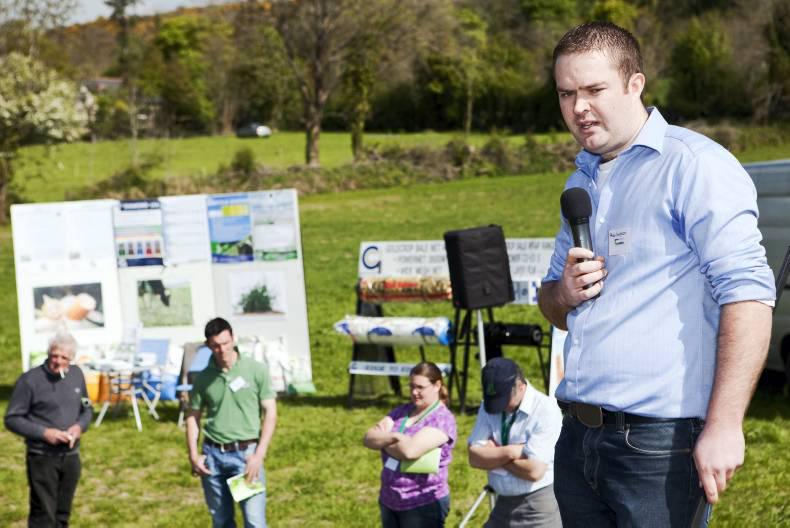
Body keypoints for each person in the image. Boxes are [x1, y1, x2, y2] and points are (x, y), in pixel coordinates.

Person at [538, 21, 776, 527]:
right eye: (566, 93)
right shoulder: (580, 180)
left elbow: (749, 295)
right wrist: (563, 292)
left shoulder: (695, 166)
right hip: (578, 439)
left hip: (660, 446)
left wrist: (726, 424)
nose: (578, 107)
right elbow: (552, 308)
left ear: (635, 85)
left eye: (594, 90)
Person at [185, 317, 277, 528]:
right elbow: (193, 417)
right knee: (222, 521)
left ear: (233, 339)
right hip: (213, 458)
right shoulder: (203, 378)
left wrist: (258, 455)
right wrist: (193, 454)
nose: (222, 350)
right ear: (208, 345)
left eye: (226, 343)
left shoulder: (255, 369)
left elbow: (270, 412)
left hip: (245, 457)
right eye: (216, 346)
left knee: (254, 521)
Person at [5, 332, 93, 527]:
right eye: (54, 355)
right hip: (42, 457)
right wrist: (45, 433)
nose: (57, 361)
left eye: (64, 357)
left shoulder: (77, 375)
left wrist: (79, 427)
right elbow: (12, 418)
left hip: (70, 456)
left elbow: (87, 409)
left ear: (71, 359)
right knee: (43, 515)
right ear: (48, 353)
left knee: (63, 514)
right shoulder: (30, 380)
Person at [467, 357, 563, 527]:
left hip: (537, 508)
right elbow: (474, 458)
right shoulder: (487, 406)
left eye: (503, 401)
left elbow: (534, 471)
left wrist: (494, 454)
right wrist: (512, 452)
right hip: (502, 503)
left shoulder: (546, 410)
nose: (500, 408)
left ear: (520, 386)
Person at [363, 362, 457, 527]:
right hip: (389, 499)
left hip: (422, 503)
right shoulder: (401, 411)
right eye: (411, 386)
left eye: (420, 387)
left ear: (437, 385)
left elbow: (410, 452)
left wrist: (384, 440)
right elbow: (368, 438)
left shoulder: (442, 419)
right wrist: (396, 437)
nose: (414, 392)